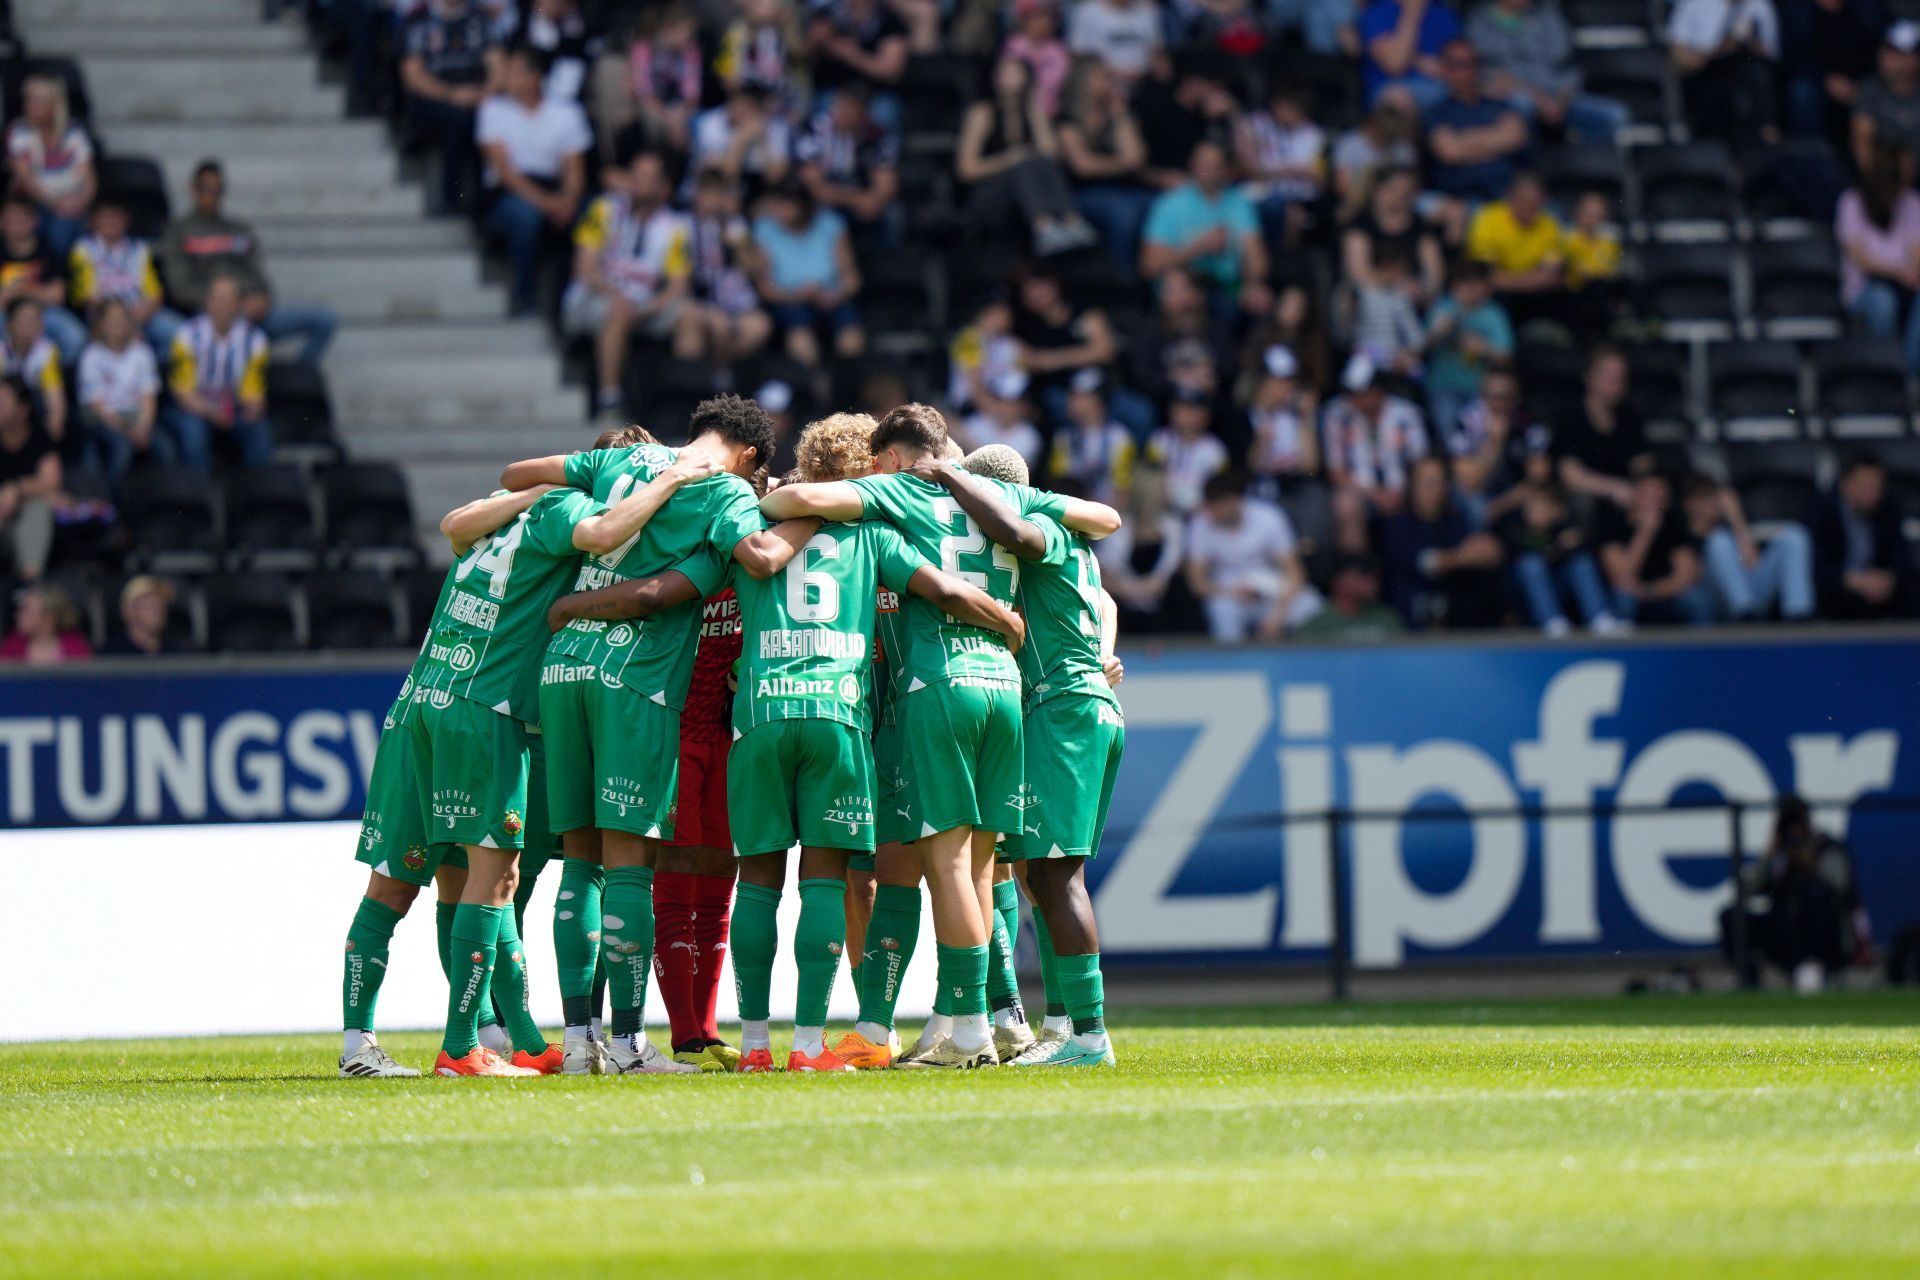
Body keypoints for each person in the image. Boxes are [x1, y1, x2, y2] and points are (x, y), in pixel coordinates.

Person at [759, 403, 1121, 1067]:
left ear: (892, 456)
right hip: (1005, 689)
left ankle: (976, 1028)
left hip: (933, 687)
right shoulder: (999, 498)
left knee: (946, 864)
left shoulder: (894, 491)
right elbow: (1101, 521)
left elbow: (803, 501)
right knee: (988, 866)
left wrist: (783, 493)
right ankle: (976, 1017)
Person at [339, 474, 703, 1078]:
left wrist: (532, 492)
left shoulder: (492, 524)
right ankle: (462, 1047)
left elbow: (452, 524)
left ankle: (372, 1046)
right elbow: (607, 531)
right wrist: (672, 480)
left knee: (414, 883)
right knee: (497, 877)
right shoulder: (569, 511)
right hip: (484, 709)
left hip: (417, 704)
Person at [504, 396, 820, 1073]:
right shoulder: (727, 492)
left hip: (562, 671)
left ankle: (577, 1040)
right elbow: (758, 559)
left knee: (579, 863)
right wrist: (816, 513)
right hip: (632, 680)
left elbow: (518, 474)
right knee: (629, 864)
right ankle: (626, 1043)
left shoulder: (625, 460)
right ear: (752, 457)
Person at [910, 442, 1126, 1067]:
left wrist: (947, 473)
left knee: (1055, 876)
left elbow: (1023, 535)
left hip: (1062, 710)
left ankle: (1088, 1036)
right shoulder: (1071, 540)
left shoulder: (1038, 533)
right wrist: (1102, 649)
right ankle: (1061, 1026)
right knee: (1037, 873)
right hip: (1077, 704)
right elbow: (1105, 601)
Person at [156, 161, 337, 364]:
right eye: (205, 188)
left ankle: (294, 381)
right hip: (205, 318)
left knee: (324, 321)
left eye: (218, 190)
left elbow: (258, 275)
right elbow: (180, 287)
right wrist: (224, 305)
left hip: (250, 315)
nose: (211, 195)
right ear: (193, 189)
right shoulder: (178, 231)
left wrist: (261, 299)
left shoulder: (239, 229)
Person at [561, 149, 690, 418]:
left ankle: (680, 406)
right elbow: (584, 267)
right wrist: (616, 296)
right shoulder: (604, 209)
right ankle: (609, 399)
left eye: (646, 176)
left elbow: (678, 286)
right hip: (593, 297)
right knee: (618, 310)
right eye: (635, 174)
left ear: (663, 187)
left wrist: (647, 309)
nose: (636, 181)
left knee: (692, 317)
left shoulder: (675, 226)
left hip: (644, 304)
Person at [477, 45, 591, 316]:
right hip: (509, 192)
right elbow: (505, 172)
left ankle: (572, 304)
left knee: (589, 216)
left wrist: (568, 200)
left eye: (514, 72)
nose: (506, 79)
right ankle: (524, 295)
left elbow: (574, 169)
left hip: (553, 188)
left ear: (534, 78)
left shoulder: (566, 113)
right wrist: (549, 205)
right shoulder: (493, 109)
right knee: (525, 218)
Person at [956, 56, 1097, 255]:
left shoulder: (1032, 111)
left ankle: (1070, 222)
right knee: (1023, 164)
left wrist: (1034, 108)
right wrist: (1009, 159)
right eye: (1002, 72)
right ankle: (1044, 226)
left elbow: (1051, 154)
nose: (1005, 77)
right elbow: (966, 169)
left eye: (1013, 72)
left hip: (1026, 194)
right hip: (990, 195)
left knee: (1036, 160)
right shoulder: (983, 113)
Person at [1719, 795, 1861, 990]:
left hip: (1819, 934)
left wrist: (1809, 863)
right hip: (1783, 928)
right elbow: (1751, 890)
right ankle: (1747, 975)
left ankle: (1814, 967)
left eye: (1797, 824)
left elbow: (1841, 887)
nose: (1793, 832)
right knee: (1730, 916)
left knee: (1815, 894)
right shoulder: (1779, 853)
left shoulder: (1826, 847)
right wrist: (1772, 855)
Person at [1185, 471, 1323, 641]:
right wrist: (1230, 592)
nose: (1212, 513)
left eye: (1217, 506)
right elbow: (1197, 583)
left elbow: (1295, 573)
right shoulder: (1201, 523)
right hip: (1227, 592)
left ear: (1234, 501)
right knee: (1222, 611)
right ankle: (1233, 664)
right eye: (1209, 506)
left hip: (1268, 587)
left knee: (1310, 604)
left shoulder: (1269, 517)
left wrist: (1278, 614)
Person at [1141, 140, 1272, 318]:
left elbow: (1256, 256)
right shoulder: (1170, 204)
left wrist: (1253, 284)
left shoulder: (1239, 203)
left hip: (1226, 285)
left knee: (1258, 300)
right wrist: (1198, 247)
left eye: (1212, 165)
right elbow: (1149, 265)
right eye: (1200, 163)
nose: (1204, 170)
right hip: (1183, 285)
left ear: (1225, 170)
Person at [1467, 0, 1629, 140]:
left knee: (1614, 115)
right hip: (1513, 101)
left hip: (1558, 99)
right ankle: (1526, 170)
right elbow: (1491, 77)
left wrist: (1561, 100)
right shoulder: (1478, 22)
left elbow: (1568, 67)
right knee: (1523, 106)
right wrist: (1541, 101)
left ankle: (1579, 167)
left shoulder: (1548, 16)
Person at [749, 180, 865, 368]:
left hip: (831, 297)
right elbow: (764, 287)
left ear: (803, 205)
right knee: (800, 333)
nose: (781, 209)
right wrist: (797, 295)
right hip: (789, 301)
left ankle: (847, 383)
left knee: (851, 333)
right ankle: (813, 386)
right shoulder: (764, 229)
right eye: (779, 202)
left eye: (788, 203)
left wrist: (835, 295)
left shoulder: (831, 224)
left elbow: (852, 278)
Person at [402, 0, 503, 213]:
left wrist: (482, 94)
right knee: (456, 119)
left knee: (490, 117)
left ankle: (485, 204)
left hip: (476, 95)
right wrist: (451, 94)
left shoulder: (479, 16)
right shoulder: (419, 18)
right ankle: (453, 199)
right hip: (434, 97)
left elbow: (498, 68)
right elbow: (413, 76)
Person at [1380, 454, 1504, 627]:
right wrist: (1463, 557)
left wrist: (1489, 550)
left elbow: (1481, 549)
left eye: (1439, 482)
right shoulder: (1399, 524)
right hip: (1413, 604)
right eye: (1428, 482)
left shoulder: (1455, 519)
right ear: (1413, 486)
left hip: (1455, 599)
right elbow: (1426, 563)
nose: (1435, 489)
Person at [165, 275, 271, 472]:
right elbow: (183, 391)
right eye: (216, 298)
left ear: (238, 304)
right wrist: (212, 412)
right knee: (193, 429)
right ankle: (199, 493)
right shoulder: (186, 335)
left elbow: (252, 388)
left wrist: (254, 406)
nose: (221, 305)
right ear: (207, 302)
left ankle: (256, 491)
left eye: (227, 299)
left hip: (233, 407)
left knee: (257, 427)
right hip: (194, 407)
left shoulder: (255, 339)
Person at [1056, 57, 1153, 269]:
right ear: (1083, 81)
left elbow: (1136, 158)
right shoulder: (1067, 120)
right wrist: (1121, 163)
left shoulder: (1116, 116)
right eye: (1103, 77)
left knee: (1160, 206)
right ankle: (1121, 277)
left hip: (1123, 189)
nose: (1109, 82)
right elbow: (1083, 167)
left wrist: (1120, 114)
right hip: (1083, 194)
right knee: (1124, 214)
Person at [1682, 472, 1815, 621]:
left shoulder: (1729, 527)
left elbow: (1751, 558)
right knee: (1718, 540)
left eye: (1714, 496)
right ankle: (1743, 612)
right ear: (1689, 503)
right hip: (1714, 598)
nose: (1713, 502)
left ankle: (1798, 613)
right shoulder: (1683, 533)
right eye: (1705, 497)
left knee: (1794, 535)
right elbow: (1692, 575)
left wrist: (1735, 518)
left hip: (1751, 596)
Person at [1596, 462, 1716, 625]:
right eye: (1649, 491)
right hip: (1628, 598)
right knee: (1623, 597)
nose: (1656, 496)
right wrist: (1645, 533)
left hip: (1662, 595)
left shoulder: (1674, 522)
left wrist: (1650, 591)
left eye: (1661, 491)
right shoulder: (1614, 523)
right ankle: (1622, 649)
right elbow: (1621, 577)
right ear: (1635, 492)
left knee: (1696, 599)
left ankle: (1704, 648)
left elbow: (1687, 575)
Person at [1836, 140, 1920, 372]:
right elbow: (1860, 259)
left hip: (1906, 286)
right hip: (1865, 288)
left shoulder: (1912, 203)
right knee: (1883, 301)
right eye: (1904, 167)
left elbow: (1916, 251)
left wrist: (1911, 272)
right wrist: (1897, 272)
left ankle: (1909, 373)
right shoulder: (1852, 202)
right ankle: (1887, 368)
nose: (1910, 172)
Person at [1500, 478, 1621, 634]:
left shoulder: (1564, 527)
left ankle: (1599, 617)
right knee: (1532, 564)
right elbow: (1528, 549)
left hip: (1559, 590)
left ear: (1555, 510)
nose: (1534, 512)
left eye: (1541, 506)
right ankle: (1552, 622)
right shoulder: (1515, 527)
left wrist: (1563, 545)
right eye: (1531, 506)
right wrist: (1558, 547)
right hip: (1522, 596)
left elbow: (1586, 548)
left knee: (1581, 563)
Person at [678, 167, 773, 366]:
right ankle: (717, 380)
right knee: (719, 325)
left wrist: (736, 243)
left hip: (732, 302)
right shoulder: (682, 224)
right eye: (708, 193)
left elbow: (752, 268)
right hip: (699, 298)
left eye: (718, 193)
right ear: (698, 195)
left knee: (760, 326)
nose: (713, 200)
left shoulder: (734, 225)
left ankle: (723, 373)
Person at [1322, 352, 1430, 518]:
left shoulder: (1407, 416)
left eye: (1359, 392)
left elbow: (1420, 463)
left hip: (1404, 493)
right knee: (1345, 504)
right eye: (1350, 392)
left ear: (1378, 390)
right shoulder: (1337, 415)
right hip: (1361, 493)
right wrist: (1376, 495)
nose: (1352, 399)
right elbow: (1336, 471)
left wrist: (1402, 493)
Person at [1809, 450, 1916, 618]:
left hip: (1880, 592)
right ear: (1845, 484)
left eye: (1876, 488)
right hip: (1838, 591)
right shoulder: (1822, 509)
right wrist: (1852, 581)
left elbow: (1902, 556)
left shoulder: (1888, 508)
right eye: (1864, 487)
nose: (1872, 495)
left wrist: (1889, 579)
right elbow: (1816, 566)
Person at [68, 197, 181, 354]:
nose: (111, 221)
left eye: (117, 216)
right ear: (94, 220)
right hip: (103, 317)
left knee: (179, 333)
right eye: (106, 216)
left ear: (126, 220)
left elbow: (155, 294)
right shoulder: (83, 250)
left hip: (140, 314)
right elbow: (87, 297)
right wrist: (120, 319)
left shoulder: (140, 249)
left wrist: (137, 316)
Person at [1424, 40, 1530, 204]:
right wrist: (1496, 141)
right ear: (1445, 69)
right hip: (1463, 197)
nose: (1465, 71)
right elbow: (1451, 151)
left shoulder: (1498, 104)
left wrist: (1466, 140)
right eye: (1457, 65)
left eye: (1469, 64)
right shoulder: (1437, 112)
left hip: (1508, 195)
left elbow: (1516, 137)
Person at [795, 84, 902, 246]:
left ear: (864, 112)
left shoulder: (878, 137)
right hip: (826, 204)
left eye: (850, 108)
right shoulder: (815, 129)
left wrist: (870, 201)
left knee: (892, 215)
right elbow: (813, 187)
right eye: (840, 106)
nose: (842, 113)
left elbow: (886, 187)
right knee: (823, 215)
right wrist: (858, 200)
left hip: (863, 205)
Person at [76, 298, 161, 489]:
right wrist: (127, 431)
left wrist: (143, 426)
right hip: (101, 419)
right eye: (112, 319)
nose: (117, 324)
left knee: (165, 448)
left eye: (122, 318)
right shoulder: (91, 355)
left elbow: (148, 396)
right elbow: (97, 405)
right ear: (101, 323)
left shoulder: (142, 353)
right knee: (122, 447)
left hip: (135, 417)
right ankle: (115, 506)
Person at [6, 75, 95, 257]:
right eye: (28, 100)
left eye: (37, 101)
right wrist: (56, 203)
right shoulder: (19, 131)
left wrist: (81, 202)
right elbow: (25, 178)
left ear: (54, 105)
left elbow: (89, 177)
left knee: (70, 224)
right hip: (34, 201)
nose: (30, 106)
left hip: (70, 200)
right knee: (52, 226)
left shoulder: (74, 132)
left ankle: (67, 276)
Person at [1668, 0, 1781, 143]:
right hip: (1704, 77)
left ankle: (1766, 136)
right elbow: (1678, 59)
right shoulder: (1693, 4)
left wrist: (1749, 40)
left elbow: (1771, 55)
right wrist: (1721, 47)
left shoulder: (1759, 6)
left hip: (1745, 76)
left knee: (1754, 73)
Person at [1424, 258, 1513, 435]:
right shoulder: (1442, 307)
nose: (1470, 290)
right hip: (1443, 388)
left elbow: (1507, 357)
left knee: (1481, 438)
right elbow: (1421, 349)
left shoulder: (1493, 313)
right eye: (1465, 284)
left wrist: (1484, 348)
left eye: (1475, 284)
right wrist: (1438, 333)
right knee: (1450, 440)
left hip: (1480, 391)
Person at [1100, 464, 1191, 632]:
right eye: (1163, 486)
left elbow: (1169, 571)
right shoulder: (1117, 526)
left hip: (1164, 607)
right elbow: (1105, 573)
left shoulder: (1174, 526)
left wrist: (1152, 586)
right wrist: (1128, 590)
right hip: (1121, 606)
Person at [606, 2, 703, 158]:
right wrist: (665, 115)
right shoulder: (643, 48)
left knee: (690, 127)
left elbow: (692, 88)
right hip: (648, 105)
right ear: (668, 29)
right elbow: (642, 87)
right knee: (655, 122)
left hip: (678, 108)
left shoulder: (690, 51)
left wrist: (680, 113)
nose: (689, 40)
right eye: (687, 34)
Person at [1343, 166, 1445, 308]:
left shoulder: (1420, 226)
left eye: (1407, 192)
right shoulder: (1361, 225)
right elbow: (1359, 272)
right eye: (1394, 189)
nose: (1400, 196)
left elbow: (1434, 272)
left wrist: (1423, 289)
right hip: (1372, 296)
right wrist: (1394, 285)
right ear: (1377, 190)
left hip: (1413, 296)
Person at [0, 194, 86, 362]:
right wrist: (33, 291)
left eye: (21, 218)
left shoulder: (49, 249)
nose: (15, 224)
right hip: (5, 314)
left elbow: (57, 296)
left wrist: (19, 290)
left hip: (43, 313)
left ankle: (47, 374)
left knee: (76, 337)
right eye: (10, 218)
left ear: (35, 221)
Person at [807, 0, 912, 131]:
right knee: (822, 107)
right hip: (836, 91)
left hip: (875, 94)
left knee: (885, 112)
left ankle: (880, 150)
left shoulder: (890, 21)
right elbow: (806, 59)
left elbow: (892, 71)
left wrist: (854, 55)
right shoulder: (830, 18)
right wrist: (817, 43)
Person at [686, 85, 795, 204]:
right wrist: (740, 142)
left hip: (759, 192)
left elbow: (775, 178)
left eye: (746, 108)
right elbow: (725, 176)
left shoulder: (776, 128)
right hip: (713, 190)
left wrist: (762, 142)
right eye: (734, 105)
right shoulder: (712, 123)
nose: (737, 111)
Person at [0, 376, 62, 584]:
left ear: (23, 409)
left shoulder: (39, 437)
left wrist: (17, 489)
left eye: (3, 400)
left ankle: (31, 587)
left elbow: (52, 482)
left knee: (38, 508)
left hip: (25, 522)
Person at [1050, 367, 1137, 505]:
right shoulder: (1063, 437)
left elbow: (1123, 488)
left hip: (1109, 512)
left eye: (1080, 395)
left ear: (1099, 401)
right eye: (1072, 394)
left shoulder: (1120, 437)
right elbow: (1060, 484)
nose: (1071, 400)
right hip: (1073, 510)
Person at [1245, 344, 1320, 497]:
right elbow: (1253, 467)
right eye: (1281, 380)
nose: (1289, 387)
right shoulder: (1245, 417)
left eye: (1291, 380)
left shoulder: (1298, 416)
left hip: (1296, 491)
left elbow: (1310, 468)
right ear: (1263, 381)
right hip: (1261, 493)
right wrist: (1266, 419)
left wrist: (1306, 419)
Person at [1146, 387, 1232, 514]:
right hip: (1163, 508)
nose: (1184, 414)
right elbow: (1150, 478)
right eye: (1180, 408)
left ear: (1206, 415)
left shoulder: (1215, 449)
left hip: (1202, 512)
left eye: (1191, 410)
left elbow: (1220, 489)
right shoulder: (1159, 440)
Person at [1852, 21, 1920, 170]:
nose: (1884, 57)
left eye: (1895, 52)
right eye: (1885, 49)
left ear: (1915, 60)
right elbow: (1862, 145)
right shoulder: (1870, 89)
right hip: (1883, 183)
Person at [1294, 554, 1406, 640]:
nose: (1371, 580)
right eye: (1362, 573)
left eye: (1372, 574)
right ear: (1338, 581)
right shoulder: (1316, 624)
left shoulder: (1386, 619)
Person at [3, 298, 67, 447]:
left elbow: (54, 393)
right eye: (23, 320)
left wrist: (55, 422)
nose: (28, 326)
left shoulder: (47, 352)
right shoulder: (1, 353)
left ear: (41, 325)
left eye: (33, 320)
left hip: (35, 411)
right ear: (9, 325)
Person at [958, 368, 1044, 465]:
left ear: (1023, 406)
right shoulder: (974, 423)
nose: (1004, 407)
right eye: (1001, 400)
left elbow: (1007, 470)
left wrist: (968, 442)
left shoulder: (1030, 438)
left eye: (1010, 403)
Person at [1066, 0, 1164, 83]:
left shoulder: (1148, 10)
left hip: (1144, 83)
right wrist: (1113, 75)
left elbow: (1157, 52)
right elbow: (1079, 57)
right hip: (1103, 85)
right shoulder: (1087, 11)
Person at [1003, 0, 1073, 117]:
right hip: (1014, 109)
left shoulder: (1057, 51)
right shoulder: (1013, 44)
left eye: (1049, 18)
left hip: (1047, 111)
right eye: (1038, 16)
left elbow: (1053, 84)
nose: (1045, 22)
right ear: (1024, 19)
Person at [0, 583, 90, 665]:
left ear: (48, 618)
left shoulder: (76, 647)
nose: (18, 615)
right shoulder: (11, 646)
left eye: (26, 611)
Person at [100, 575, 182, 656]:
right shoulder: (112, 655)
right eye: (149, 604)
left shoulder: (177, 653)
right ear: (128, 611)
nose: (157, 610)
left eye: (160, 604)